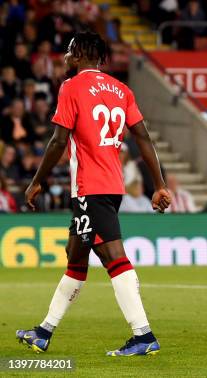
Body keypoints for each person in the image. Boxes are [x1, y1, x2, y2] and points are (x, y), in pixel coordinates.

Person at [16, 32, 171, 356]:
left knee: (114, 257)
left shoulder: (71, 86)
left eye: (69, 50)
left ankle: (143, 335)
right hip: (110, 186)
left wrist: (36, 181)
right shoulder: (122, 90)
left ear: (79, 53)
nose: (65, 56)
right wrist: (159, 184)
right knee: (76, 257)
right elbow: (143, 138)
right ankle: (43, 333)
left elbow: (59, 141)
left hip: (90, 187)